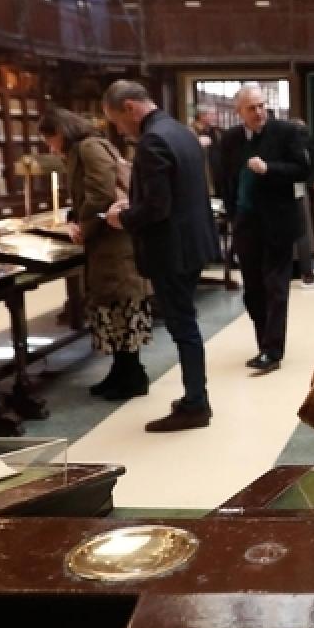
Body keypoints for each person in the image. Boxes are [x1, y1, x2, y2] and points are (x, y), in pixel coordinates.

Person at [102, 80, 219, 432]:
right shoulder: (180, 131)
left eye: (117, 121)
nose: (120, 129)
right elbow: (175, 193)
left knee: (183, 326)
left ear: (130, 108)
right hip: (192, 243)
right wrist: (135, 204)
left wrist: (120, 217)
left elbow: (157, 209)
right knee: (187, 323)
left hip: (171, 249)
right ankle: (194, 398)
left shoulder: (152, 141)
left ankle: (196, 404)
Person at [39, 107, 152, 401]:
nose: (50, 148)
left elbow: (101, 194)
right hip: (105, 241)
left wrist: (81, 224)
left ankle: (133, 375)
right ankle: (121, 370)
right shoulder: (84, 149)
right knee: (111, 308)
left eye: (49, 141)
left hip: (115, 242)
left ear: (60, 133)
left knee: (122, 306)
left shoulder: (89, 148)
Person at [220, 83, 312, 373]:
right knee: (253, 290)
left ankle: (272, 350)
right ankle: (264, 342)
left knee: (275, 286)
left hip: (278, 222)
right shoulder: (231, 139)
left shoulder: (285, 132)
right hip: (246, 222)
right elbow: (224, 176)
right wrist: (232, 210)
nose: (259, 112)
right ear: (239, 112)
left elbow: (303, 169)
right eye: (252, 108)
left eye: (262, 106)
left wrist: (270, 169)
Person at [288, 117, 314, 288]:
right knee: (303, 233)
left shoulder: (283, 147)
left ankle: (292, 270)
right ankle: (306, 273)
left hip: (285, 192)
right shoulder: (306, 148)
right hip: (298, 191)